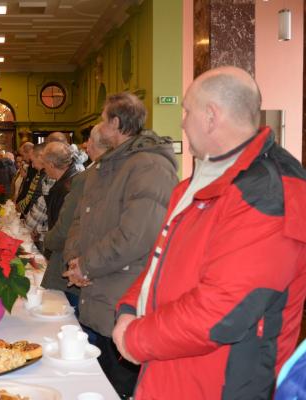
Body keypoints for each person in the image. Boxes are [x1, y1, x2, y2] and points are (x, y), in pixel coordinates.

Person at [112, 66, 306, 399]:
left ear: (211, 116)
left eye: (186, 111)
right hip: (167, 369)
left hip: (219, 384)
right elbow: (158, 265)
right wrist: (129, 309)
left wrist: (135, 338)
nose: (182, 122)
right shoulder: (197, 182)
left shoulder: (269, 190)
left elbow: (222, 311)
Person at [63, 92, 178, 398]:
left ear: (115, 123)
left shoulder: (149, 166)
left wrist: (87, 265)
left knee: (119, 387)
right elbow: (83, 219)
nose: (100, 126)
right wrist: (76, 260)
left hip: (121, 295)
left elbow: (136, 235)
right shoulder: (112, 164)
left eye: (103, 119)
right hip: (99, 289)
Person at [42, 124, 110, 319]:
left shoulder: (83, 178)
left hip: (79, 258)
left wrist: (48, 241)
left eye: (88, 141)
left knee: (74, 317)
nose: (85, 145)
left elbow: (67, 226)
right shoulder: (104, 173)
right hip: (94, 257)